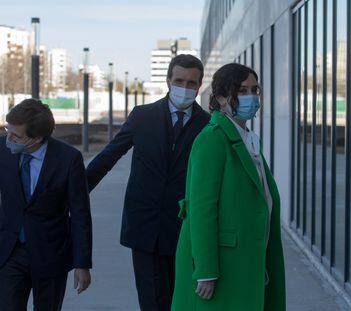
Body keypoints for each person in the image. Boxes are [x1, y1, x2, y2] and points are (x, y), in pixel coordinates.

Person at [86, 54, 210, 310]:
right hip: (145, 227)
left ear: (199, 87)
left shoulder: (208, 125)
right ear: (168, 81)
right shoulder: (142, 116)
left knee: (184, 302)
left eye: (191, 83)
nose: (184, 88)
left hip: (187, 230)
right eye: (179, 81)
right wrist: (73, 194)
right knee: (152, 302)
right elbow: (109, 156)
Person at [172, 63, 286, 310]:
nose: (251, 97)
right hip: (224, 265)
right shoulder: (212, 139)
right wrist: (205, 270)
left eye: (255, 90)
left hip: (246, 259)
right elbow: (201, 210)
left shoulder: (248, 140)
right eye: (242, 90)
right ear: (221, 97)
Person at [0, 99, 92, 311]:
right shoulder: (2, 150)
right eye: (8, 130)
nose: (9, 139)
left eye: (16, 136)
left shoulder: (68, 159)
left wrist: (82, 263)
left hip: (50, 255)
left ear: (37, 138)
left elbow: (80, 213)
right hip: (10, 252)